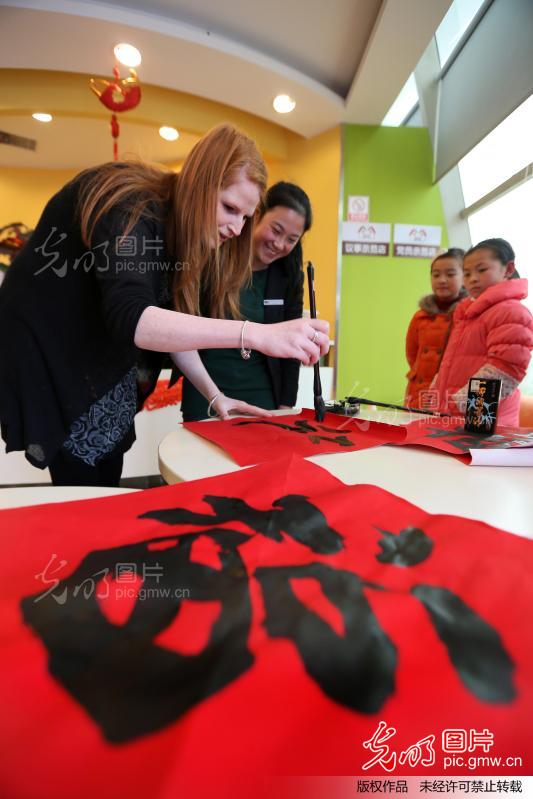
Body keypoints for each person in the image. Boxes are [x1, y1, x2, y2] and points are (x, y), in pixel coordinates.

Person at [0, 124, 329, 487]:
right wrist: (255, 334)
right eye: (230, 208)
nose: (237, 228)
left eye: (246, 217)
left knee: (108, 461)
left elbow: (171, 323)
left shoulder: (185, 235)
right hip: (52, 349)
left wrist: (215, 396)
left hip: (105, 363)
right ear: (200, 183)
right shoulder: (131, 204)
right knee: (84, 481)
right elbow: (133, 318)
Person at [181, 182, 312, 421]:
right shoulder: (214, 256)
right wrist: (211, 394)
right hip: (205, 394)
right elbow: (182, 325)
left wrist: (285, 406)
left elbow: (292, 352)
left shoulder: (288, 276)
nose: (280, 244)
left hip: (262, 399)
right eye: (276, 230)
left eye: (292, 239)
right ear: (257, 214)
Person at [431, 238, 533, 425]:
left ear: (508, 269)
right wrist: (436, 396)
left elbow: (505, 369)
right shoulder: (469, 315)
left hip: (485, 422)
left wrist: (459, 405)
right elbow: (450, 363)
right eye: (467, 273)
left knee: (473, 456)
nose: (473, 279)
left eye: (482, 270)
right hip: (458, 418)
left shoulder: (511, 311)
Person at [405, 248, 466, 409]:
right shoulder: (420, 316)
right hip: (419, 390)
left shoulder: (468, 315)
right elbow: (412, 355)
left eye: (450, 274)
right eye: (436, 274)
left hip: (453, 394)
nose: (442, 280)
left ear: (465, 277)